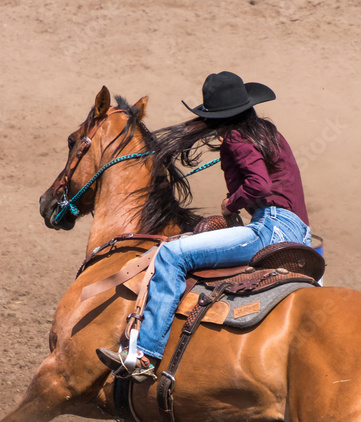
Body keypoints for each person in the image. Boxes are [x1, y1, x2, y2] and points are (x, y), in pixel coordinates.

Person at [97, 71, 311, 382]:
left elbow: (259, 185)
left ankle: (145, 354)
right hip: (298, 232)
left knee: (172, 254)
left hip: (271, 227)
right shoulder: (268, 134)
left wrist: (231, 203)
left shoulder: (237, 138)